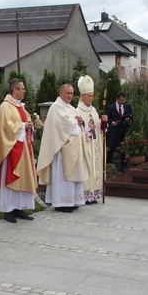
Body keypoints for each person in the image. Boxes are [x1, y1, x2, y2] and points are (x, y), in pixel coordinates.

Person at [0, 78, 37, 223]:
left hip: (23, 147)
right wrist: (23, 126)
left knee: (21, 178)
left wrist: (29, 126)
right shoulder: (5, 106)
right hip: (10, 149)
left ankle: (18, 207)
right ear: (15, 90)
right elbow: (6, 127)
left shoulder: (20, 106)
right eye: (22, 89)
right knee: (9, 177)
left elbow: (25, 122)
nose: (24, 91)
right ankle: (7, 210)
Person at [37, 84, 88, 212]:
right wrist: (75, 122)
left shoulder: (71, 108)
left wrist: (81, 122)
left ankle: (72, 200)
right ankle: (61, 202)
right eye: (67, 93)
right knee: (61, 176)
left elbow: (75, 123)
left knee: (72, 175)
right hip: (61, 149)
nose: (70, 96)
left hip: (73, 148)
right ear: (61, 93)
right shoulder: (56, 107)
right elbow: (62, 125)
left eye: (71, 93)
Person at [75, 75, 105, 204]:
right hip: (86, 147)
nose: (91, 98)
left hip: (95, 146)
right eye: (89, 96)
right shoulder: (77, 111)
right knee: (88, 169)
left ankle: (94, 194)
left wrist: (103, 122)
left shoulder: (93, 110)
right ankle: (86, 194)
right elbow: (78, 130)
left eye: (92, 95)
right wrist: (87, 126)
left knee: (96, 169)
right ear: (82, 96)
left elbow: (98, 128)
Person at [106, 91, 133, 170]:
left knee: (124, 149)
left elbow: (131, 118)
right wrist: (112, 123)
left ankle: (123, 167)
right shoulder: (111, 107)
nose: (123, 102)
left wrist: (129, 120)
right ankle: (108, 165)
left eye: (124, 100)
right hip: (114, 131)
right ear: (117, 99)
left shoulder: (128, 107)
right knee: (111, 148)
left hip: (124, 131)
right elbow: (108, 119)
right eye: (121, 100)